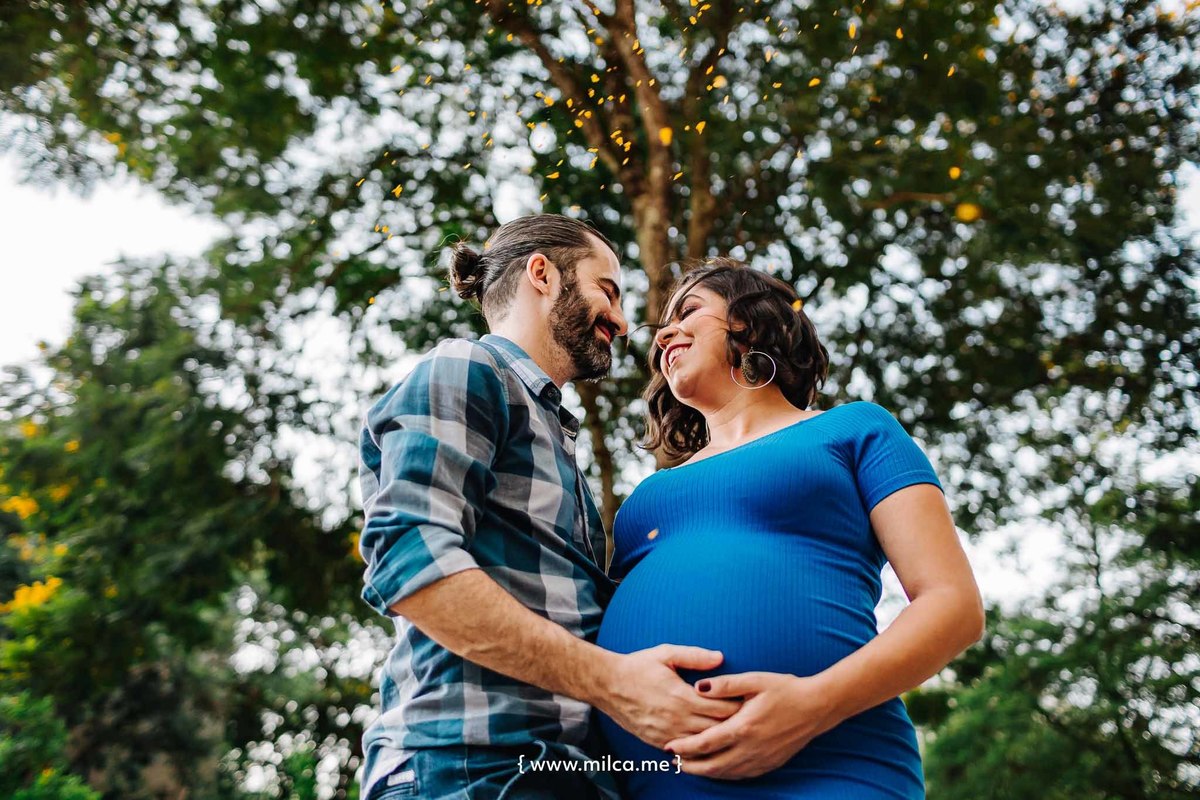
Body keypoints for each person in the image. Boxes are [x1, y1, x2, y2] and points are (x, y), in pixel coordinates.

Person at [356, 215, 740, 800]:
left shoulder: (551, 432)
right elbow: (409, 558)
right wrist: (614, 682)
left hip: (556, 773)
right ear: (542, 274)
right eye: (606, 290)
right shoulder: (467, 368)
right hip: (470, 767)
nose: (622, 320)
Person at [596, 259, 986, 799]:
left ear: (749, 324)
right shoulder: (645, 498)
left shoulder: (854, 429)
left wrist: (812, 705)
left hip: (832, 766)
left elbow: (953, 605)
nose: (664, 333)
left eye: (689, 311)